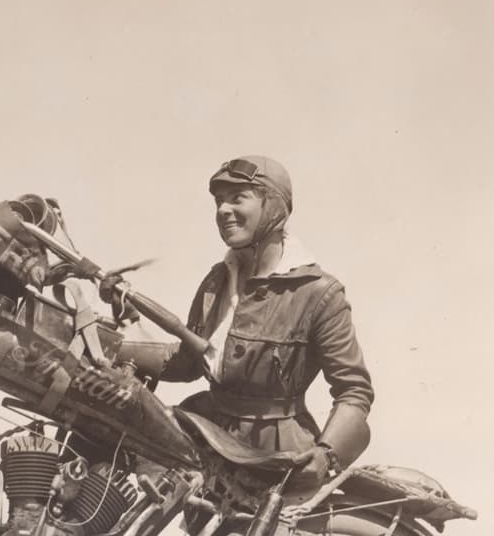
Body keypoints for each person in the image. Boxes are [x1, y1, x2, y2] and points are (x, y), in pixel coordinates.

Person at [106, 156, 374, 490]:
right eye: (219, 201)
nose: (222, 210)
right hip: (208, 434)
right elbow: (190, 362)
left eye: (237, 198)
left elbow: (354, 389)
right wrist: (109, 345)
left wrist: (326, 454)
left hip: (276, 457)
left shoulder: (319, 292)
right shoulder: (218, 280)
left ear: (273, 206)